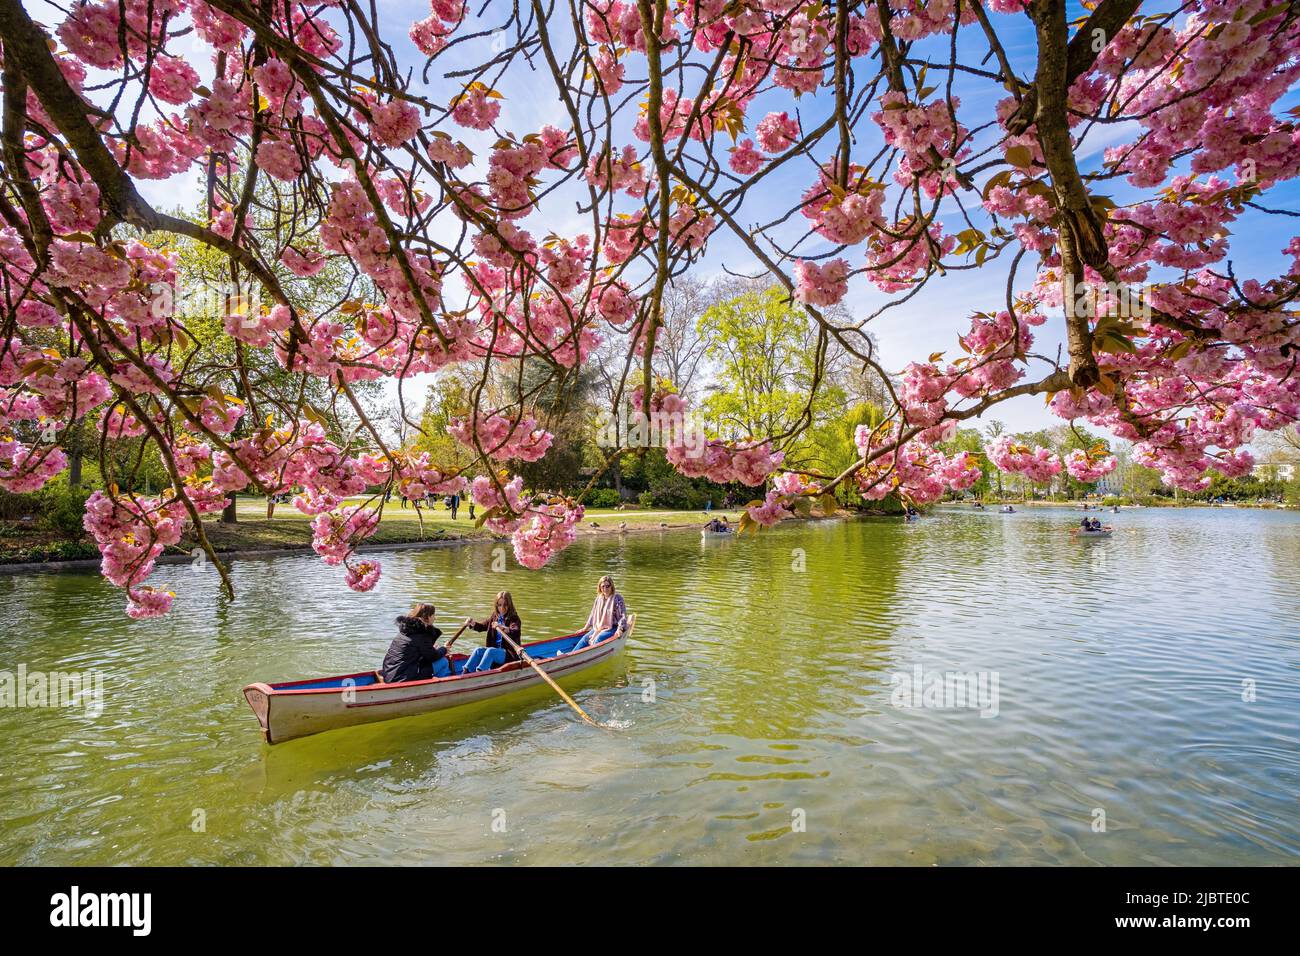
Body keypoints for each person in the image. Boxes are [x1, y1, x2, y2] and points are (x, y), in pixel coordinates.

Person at [380, 603, 452, 682]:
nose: (435, 618)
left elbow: (413, 651)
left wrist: (432, 649)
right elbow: (433, 657)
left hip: (388, 675)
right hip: (403, 678)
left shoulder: (405, 631)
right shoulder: (422, 634)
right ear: (427, 617)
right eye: (433, 615)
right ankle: (436, 688)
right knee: (443, 662)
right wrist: (444, 649)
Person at [462, 591, 523, 673]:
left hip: (509, 655)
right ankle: (466, 672)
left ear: (510, 605)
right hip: (495, 652)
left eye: (505, 605)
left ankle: (480, 673)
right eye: (499, 605)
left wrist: (502, 628)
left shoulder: (514, 618)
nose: (502, 608)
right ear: (496, 605)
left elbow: (515, 631)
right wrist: (472, 624)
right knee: (478, 650)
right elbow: (483, 626)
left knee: (490, 651)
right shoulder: (495, 616)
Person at [570, 575, 627, 653]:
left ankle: (587, 655)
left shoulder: (617, 598)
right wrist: (585, 628)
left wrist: (620, 629)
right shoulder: (599, 598)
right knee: (585, 638)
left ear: (611, 586)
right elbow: (593, 615)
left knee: (599, 638)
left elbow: (622, 616)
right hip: (599, 627)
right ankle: (571, 654)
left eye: (607, 586)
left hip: (612, 627)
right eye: (603, 586)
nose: (605, 589)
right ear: (600, 587)